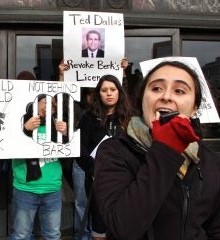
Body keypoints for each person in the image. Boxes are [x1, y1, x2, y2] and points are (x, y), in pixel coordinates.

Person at [93, 60, 220, 239]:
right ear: (142, 101)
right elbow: (122, 228)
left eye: (179, 91)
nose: (166, 96)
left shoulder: (210, 161)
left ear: (194, 108)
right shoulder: (114, 152)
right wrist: (165, 150)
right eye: (156, 89)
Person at [77, 74, 132, 240]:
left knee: (123, 223)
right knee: (99, 225)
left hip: (125, 182)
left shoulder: (130, 117)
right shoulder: (88, 118)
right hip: (97, 182)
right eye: (104, 90)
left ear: (119, 92)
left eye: (113, 89)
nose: (109, 93)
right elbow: (79, 149)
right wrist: (94, 169)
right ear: (98, 94)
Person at [11, 94, 68, 240]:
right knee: (21, 235)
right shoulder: (19, 120)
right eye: (44, 102)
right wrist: (25, 129)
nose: (48, 106)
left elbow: (70, 149)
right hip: (25, 188)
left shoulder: (58, 124)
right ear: (34, 103)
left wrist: (66, 133)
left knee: (53, 235)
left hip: (52, 188)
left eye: (52, 104)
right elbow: (8, 145)